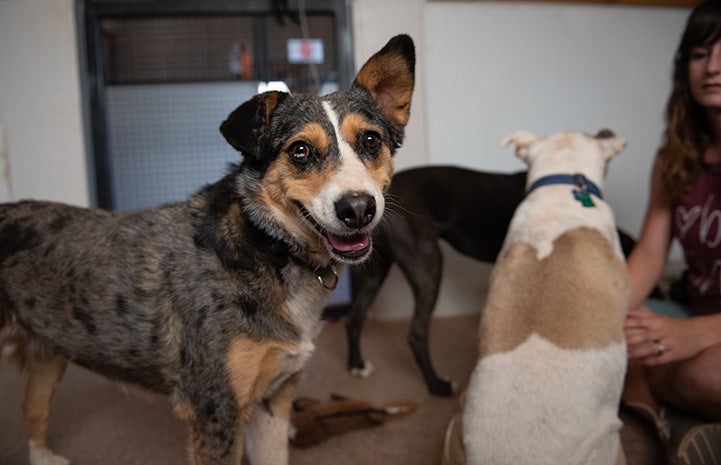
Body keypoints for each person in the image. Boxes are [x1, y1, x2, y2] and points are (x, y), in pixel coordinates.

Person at [622, 2, 721, 464]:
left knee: (707, 373)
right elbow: (651, 252)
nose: (714, 67)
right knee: (609, 337)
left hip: (707, 328)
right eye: (701, 53)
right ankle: (676, 418)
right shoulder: (675, 155)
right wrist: (601, 313)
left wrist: (697, 334)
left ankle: (662, 408)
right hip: (689, 306)